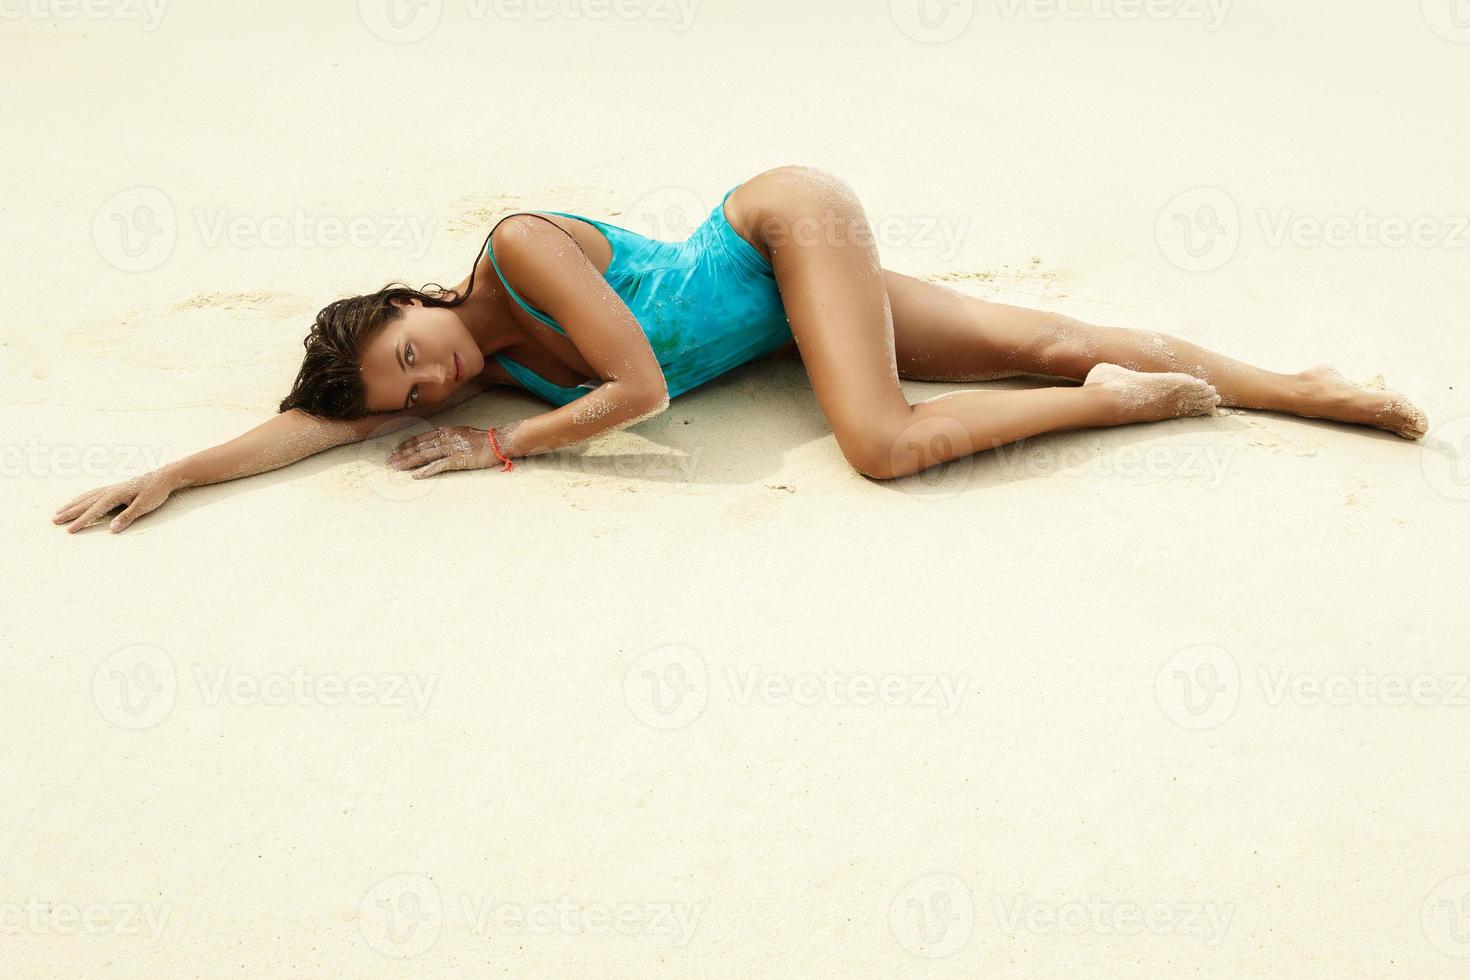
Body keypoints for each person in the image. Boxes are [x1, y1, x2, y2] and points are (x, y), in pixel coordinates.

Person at [53, 165, 1428, 534]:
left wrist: (506, 448)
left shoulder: (517, 248)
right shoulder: (466, 368)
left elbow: (639, 389)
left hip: (780, 229)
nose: (427, 385)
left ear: (410, 301)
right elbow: (311, 426)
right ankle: (1292, 388)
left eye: (409, 355)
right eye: (407, 392)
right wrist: (174, 473)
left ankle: (1129, 403)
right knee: (1047, 338)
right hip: (786, 319)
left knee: (882, 445)